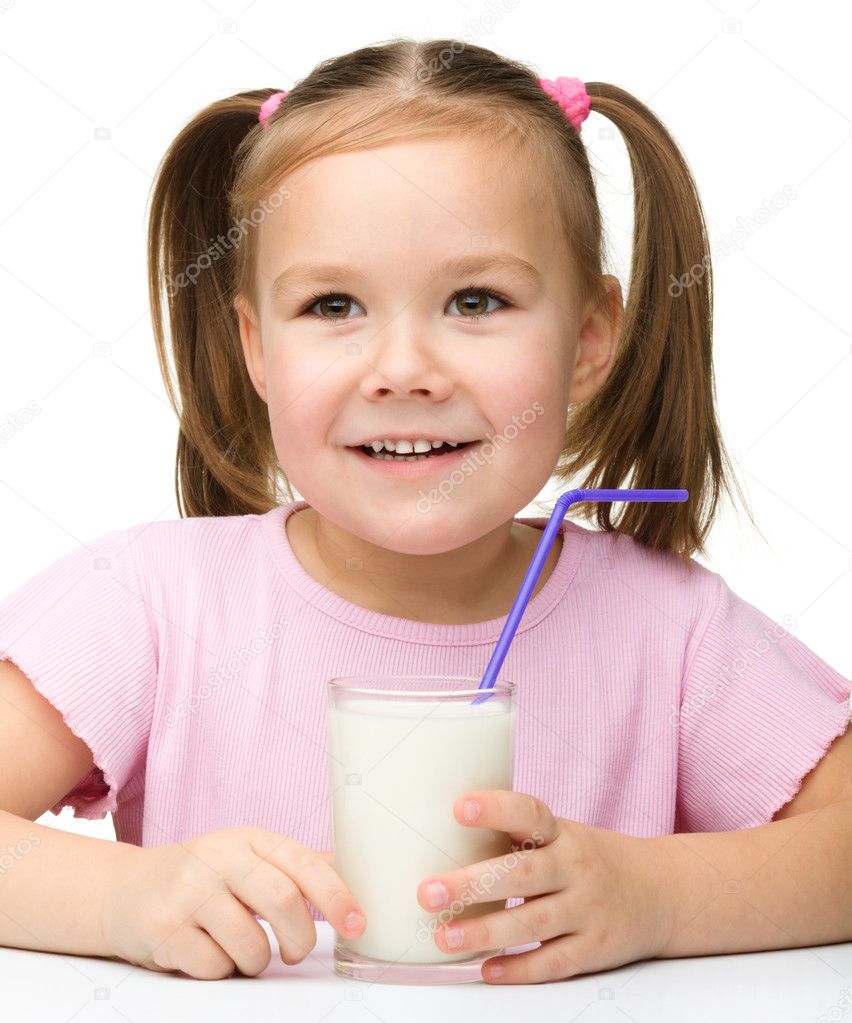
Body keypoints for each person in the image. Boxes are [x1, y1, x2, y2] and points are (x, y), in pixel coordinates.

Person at [0, 37, 850, 986]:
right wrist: (124, 898)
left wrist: (658, 893)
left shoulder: (673, 630)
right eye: (332, 305)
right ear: (254, 346)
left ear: (588, 341)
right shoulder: (153, 603)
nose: (402, 370)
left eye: (475, 299)